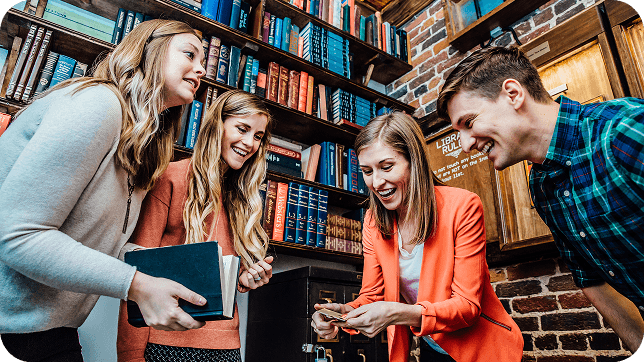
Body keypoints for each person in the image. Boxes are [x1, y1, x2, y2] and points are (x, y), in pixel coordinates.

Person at [0, 19, 208, 361]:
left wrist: (208, 273)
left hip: (47, 328)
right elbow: (17, 234)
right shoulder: (96, 104)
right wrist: (137, 285)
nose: (200, 69)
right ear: (148, 51)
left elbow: (101, 243)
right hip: (13, 326)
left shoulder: (140, 143)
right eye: (190, 54)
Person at [437, 45, 644, 352]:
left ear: (513, 94)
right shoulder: (541, 182)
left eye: (468, 123)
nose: (465, 144)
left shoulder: (625, 130)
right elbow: (591, 279)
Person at [311, 112, 524, 362]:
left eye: (386, 166)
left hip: (484, 349)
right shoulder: (372, 221)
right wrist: (345, 313)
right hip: (432, 347)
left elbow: (467, 307)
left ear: (414, 161)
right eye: (367, 171)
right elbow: (372, 295)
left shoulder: (463, 206)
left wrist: (396, 313)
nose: (376, 182)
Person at [116, 89, 274, 362]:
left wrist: (243, 277)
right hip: (167, 343)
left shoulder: (243, 198)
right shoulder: (170, 178)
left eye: (258, 136)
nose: (249, 143)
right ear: (217, 126)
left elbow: (210, 272)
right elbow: (136, 275)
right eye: (242, 128)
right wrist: (131, 355)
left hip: (225, 346)